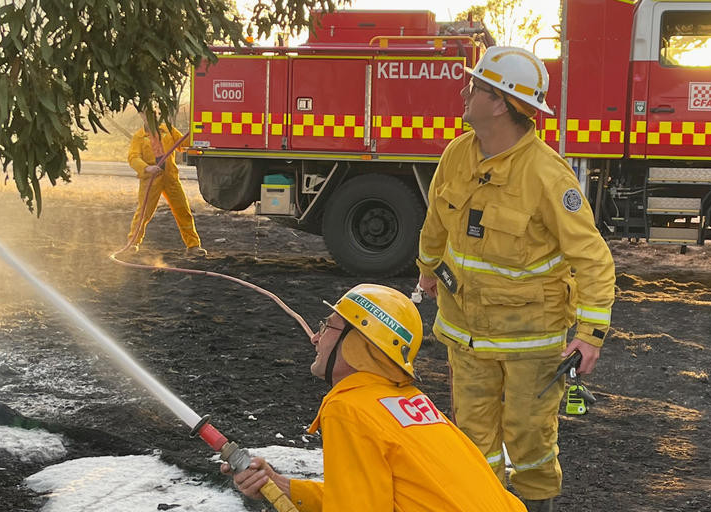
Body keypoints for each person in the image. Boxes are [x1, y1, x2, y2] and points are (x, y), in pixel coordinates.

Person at [415, 47, 616, 512]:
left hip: (531, 340)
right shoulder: (456, 154)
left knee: (530, 442)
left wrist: (590, 336)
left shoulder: (547, 175)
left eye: (477, 87)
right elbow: (435, 224)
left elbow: (592, 259)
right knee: (473, 441)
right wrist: (427, 272)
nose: (465, 92)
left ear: (502, 102)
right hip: (466, 336)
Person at [223, 284, 526, 512]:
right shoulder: (408, 402)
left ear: (358, 343)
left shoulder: (349, 408)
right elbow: (369, 498)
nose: (316, 338)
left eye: (327, 326)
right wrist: (284, 487)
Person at [126, 113, 207, 256]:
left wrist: (196, 130)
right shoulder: (138, 137)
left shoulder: (169, 130)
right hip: (151, 180)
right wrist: (146, 168)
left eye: (155, 112)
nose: (152, 116)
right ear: (142, 116)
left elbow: (183, 144)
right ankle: (132, 243)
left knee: (183, 210)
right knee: (143, 213)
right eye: (147, 113)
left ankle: (193, 246)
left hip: (171, 178)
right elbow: (133, 157)